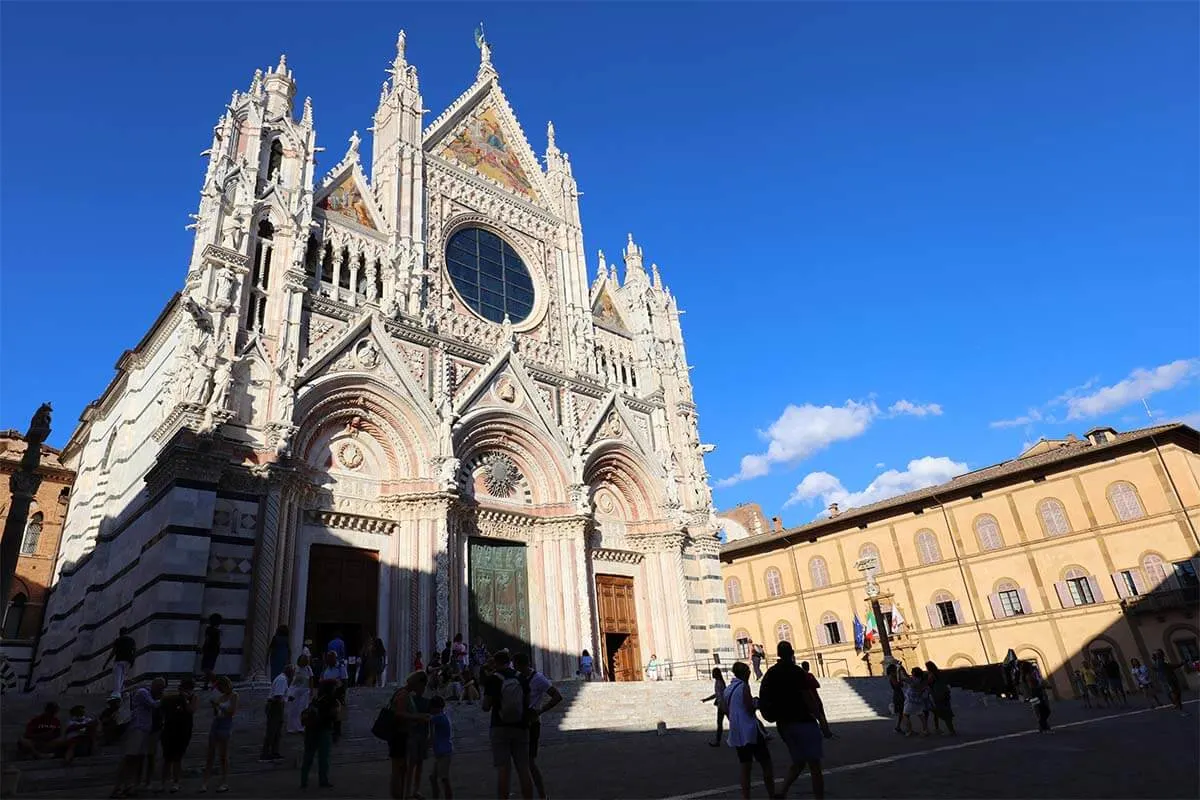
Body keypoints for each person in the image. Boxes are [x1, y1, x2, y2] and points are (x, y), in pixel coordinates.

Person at [759, 642, 824, 800]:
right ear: (792, 652)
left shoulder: (771, 673)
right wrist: (822, 721)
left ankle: (781, 792)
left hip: (784, 724)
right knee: (814, 765)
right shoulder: (797, 672)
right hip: (803, 721)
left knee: (799, 761)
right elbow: (808, 697)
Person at [482, 649, 534, 800]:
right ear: (509, 662)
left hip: (500, 727)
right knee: (524, 769)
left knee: (503, 769)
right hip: (521, 727)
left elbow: (486, 706)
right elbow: (528, 702)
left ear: (496, 663)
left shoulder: (493, 679)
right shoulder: (522, 678)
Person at [722, 661, 776, 800]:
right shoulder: (743, 686)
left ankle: (746, 797)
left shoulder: (728, 689)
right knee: (766, 764)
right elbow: (749, 708)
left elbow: (725, 708)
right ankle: (772, 794)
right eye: (748, 672)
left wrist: (734, 718)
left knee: (745, 767)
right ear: (745, 673)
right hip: (751, 731)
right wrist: (757, 702)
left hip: (737, 733)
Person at [515, 652, 563, 800]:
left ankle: (541, 795)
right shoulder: (517, 678)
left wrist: (541, 710)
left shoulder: (538, 678)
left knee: (528, 762)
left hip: (532, 723)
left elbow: (557, 696)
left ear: (521, 664)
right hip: (518, 723)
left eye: (516, 664)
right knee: (522, 762)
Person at [112, 678, 164, 799]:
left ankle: (128, 786)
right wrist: (166, 698)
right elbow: (154, 705)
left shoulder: (149, 694)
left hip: (145, 730)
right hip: (137, 728)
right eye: (160, 688)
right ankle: (117, 787)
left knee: (136, 759)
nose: (161, 691)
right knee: (129, 757)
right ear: (155, 686)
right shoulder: (143, 692)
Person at [389, 670, 431, 800]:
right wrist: (417, 717)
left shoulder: (405, 693)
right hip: (398, 734)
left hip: (402, 733)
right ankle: (398, 795)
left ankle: (400, 794)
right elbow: (399, 714)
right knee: (398, 769)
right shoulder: (404, 694)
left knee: (402, 768)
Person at [159, 678, 199, 793]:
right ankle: (163, 783)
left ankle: (176, 782)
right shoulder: (172, 698)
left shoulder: (193, 698)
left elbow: (191, 710)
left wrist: (185, 699)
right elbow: (162, 706)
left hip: (183, 730)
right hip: (170, 729)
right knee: (167, 758)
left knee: (177, 758)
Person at [201, 675, 238, 793]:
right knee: (210, 755)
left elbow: (231, 711)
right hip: (217, 723)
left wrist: (219, 705)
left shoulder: (234, 696)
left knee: (223, 755)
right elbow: (217, 713)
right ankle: (205, 782)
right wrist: (215, 706)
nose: (220, 690)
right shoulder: (220, 697)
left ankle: (224, 782)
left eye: (221, 687)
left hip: (226, 725)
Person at [300, 681, 337, 789]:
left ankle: (304, 780)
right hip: (324, 730)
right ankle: (323, 780)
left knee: (308, 756)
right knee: (323, 757)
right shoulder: (331, 700)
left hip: (311, 730)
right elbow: (333, 716)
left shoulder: (316, 699)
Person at [407, 670, 433, 799]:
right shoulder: (410, 700)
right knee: (412, 764)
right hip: (414, 735)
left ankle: (414, 789)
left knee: (418, 764)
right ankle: (409, 790)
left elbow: (430, 721)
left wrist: (429, 736)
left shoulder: (424, 701)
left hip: (421, 735)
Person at [260, 663, 293, 762]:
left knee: (277, 731)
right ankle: (265, 753)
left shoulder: (282, 679)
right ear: (289, 672)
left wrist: (287, 697)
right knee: (272, 730)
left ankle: (274, 752)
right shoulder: (282, 680)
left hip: (277, 705)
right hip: (275, 707)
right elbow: (278, 696)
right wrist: (286, 700)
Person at [429, 695, 454, 799]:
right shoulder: (442, 716)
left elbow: (428, 720)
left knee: (443, 778)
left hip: (444, 752)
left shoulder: (439, 718)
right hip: (441, 752)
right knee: (434, 777)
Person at [104, 628, 137, 697]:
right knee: (122, 677)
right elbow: (134, 651)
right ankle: (121, 691)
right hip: (128, 661)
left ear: (120, 633)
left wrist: (106, 663)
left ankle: (116, 693)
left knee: (117, 677)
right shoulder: (132, 640)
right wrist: (133, 661)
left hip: (118, 661)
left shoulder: (118, 640)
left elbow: (113, 652)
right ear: (127, 632)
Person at [925, 661, 956, 735]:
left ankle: (950, 730)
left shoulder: (931, 674)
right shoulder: (939, 673)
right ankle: (951, 729)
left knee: (941, 711)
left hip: (938, 694)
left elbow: (929, 682)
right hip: (945, 692)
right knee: (946, 710)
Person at [1152, 649, 1187, 714]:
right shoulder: (1160, 662)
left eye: (1159, 654)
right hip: (1168, 679)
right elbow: (1171, 666)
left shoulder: (1160, 662)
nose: (1159, 655)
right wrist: (1181, 663)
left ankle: (1177, 704)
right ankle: (1177, 704)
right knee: (1174, 691)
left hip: (1169, 678)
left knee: (1174, 692)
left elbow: (1167, 667)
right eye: (1157, 654)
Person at [701, 666, 728, 747]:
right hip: (721, 706)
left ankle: (718, 741)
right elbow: (717, 694)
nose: (712, 674)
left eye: (713, 673)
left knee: (723, 723)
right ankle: (717, 741)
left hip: (723, 706)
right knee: (720, 724)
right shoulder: (718, 682)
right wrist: (706, 699)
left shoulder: (719, 682)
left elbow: (722, 694)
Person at [288, 653, 314, 734]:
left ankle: (301, 727)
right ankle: (292, 727)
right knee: (293, 709)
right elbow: (291, 679)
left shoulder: (308, 669)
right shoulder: (295, 668)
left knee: (302, 708)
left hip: (305, 690)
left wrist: (311, 690)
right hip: (295, 690)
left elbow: (311, 679)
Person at [901, 666, 930, 736]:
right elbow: (906, 675)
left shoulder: (913, 680)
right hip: (918, 699)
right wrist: (902, 668)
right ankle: (925, 730)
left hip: (911, 700)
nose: (911, 673)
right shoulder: (920, 680)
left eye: (912, 672)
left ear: (914, 673)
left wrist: (899, 671)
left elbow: (903, 679)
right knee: (920, 714)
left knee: (905, 715)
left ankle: (909, 731)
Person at [200, 614, 222, 690]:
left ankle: (217, 681)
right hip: (215, 651)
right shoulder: (218, 631)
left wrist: (203, 648)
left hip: (209, 650)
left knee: (205, 668)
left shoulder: (209, 629)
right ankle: (206, 685)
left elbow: (207, 640)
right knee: (209, 668)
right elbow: (219, 642)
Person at [886, 662, 906, 733]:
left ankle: (898, 727)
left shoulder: (895, 677)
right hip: (898, 695)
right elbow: (897, 685)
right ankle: (904, 727)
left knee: (902, 712)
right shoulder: (892, 678)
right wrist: (899, 680)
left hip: (899, 694)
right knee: (903, 712)